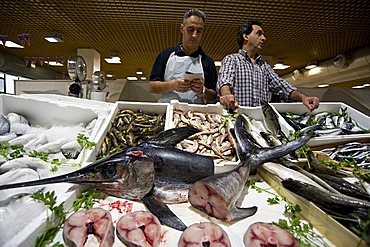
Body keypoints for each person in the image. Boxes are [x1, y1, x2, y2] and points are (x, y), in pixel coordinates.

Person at [217, 19, 320, 111]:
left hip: (261, 122)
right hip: (238, 118)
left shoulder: (264, 66)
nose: (264, 38)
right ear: (246, 36)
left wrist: (303, 97)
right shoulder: (232, 60)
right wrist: (226, 94)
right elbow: (225, 82)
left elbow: (282, 86)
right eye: (259, 34)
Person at [149, 9, 217, 104]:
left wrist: (203, 91)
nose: (194, 35)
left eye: (199, 31)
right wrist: (172, 85)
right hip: (168, 109)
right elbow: (152, 87)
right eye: (190, 29)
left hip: (196, 113)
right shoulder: (166, 54)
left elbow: (213, 96)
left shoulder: (208, 61)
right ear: (182, 29)